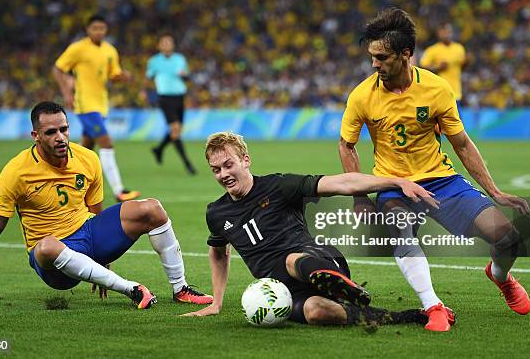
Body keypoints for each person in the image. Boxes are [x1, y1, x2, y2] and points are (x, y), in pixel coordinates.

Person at [338, 7, 530, 332]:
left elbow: (462, 144)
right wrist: (360, 196)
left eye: (382, 57)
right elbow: (346, 144)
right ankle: (433, 306)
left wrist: (494, 191)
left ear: (405, 54)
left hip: (441, 181)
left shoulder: (437, 89)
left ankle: (500, 276)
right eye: (372, 57)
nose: (374, 64)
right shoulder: (362, 95)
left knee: (508, 238)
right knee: (401, 229)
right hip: (393, 185)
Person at [0, 101, 213, 309]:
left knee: (152, 209)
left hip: (88, 235)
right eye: (51, 132)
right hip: (53, 261)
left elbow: (97, 214)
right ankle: (130, 289)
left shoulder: (87, 158)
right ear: (36, 136)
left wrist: (103, 261)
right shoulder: (16, 171)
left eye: (64, 129)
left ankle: (181, 289)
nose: (60, 137)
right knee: (45, 247)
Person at [183, 131, 437, 328]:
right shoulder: (216, 213)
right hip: (284, 287)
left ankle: (344, 286)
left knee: (292, 260)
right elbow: (218, 252)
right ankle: (396, 316)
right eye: (216, 170)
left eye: (229, 165)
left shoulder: (279, 186)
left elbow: (342, 182)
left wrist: (396, 181)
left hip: (315, 258)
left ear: (245, 160)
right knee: (316, 311)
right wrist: (216, 302)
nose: (223, 174)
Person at [52, 14, 139, 202]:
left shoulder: (110, 51)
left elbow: (113, 75)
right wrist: (67, 92)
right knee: (106, 143)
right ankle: (119, 191)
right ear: (87, 30)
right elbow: (58, 68)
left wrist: (123, 76)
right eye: (94, 28)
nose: (98, 32)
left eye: (102, 28)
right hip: (85, 105)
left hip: (101, 105)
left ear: (106, 30)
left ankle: (67, 181)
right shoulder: (78, 49)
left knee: (86, 151)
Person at [144, 35, 196, 175]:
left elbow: (187, 76)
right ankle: (188, 164)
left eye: (169, 43)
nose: (167, 45)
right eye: (164, 43)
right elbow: (148, 78)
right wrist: (147, 94)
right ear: (159, 46)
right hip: (165, 98)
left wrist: (184, 75)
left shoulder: (180, 59)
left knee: (176, 131)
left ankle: (159, 149)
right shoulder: (154, 61)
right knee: (175, 129)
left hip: (180, 96)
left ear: (172, 45)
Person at [419, 23, 467, 111]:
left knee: (457, 122)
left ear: (451, 32)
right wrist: (437, 68)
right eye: (443, 32)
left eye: (447, 31)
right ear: (439, 34)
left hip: (456, 93)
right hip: (439, 93)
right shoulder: (432, 50)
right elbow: (422, 68)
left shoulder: (459, 48)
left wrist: (467, 63)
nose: (446, 34)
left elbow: (462, 67)